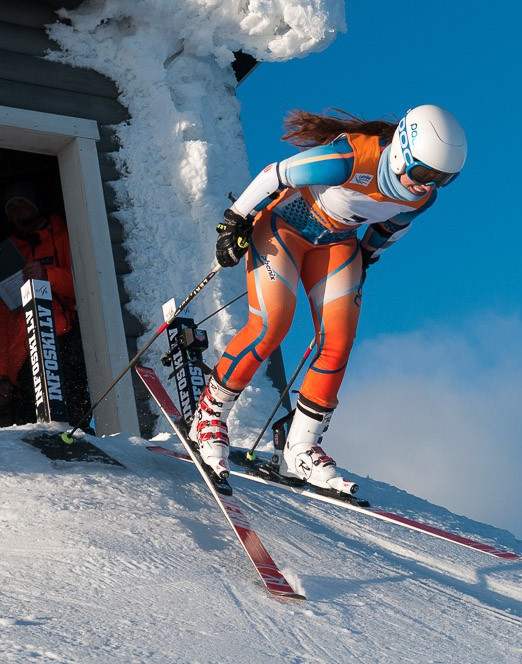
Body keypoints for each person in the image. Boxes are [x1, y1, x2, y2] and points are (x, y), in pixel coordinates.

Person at [190, 104, 467, 490]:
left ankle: (301, 446)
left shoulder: (422, 198)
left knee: (338, 342)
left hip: (337, 245)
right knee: (272, 325)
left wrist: (368, 255)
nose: (429, 185)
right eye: (424, 173)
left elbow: (391, 226)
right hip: (285, 229)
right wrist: (234, 221)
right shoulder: (350, 159)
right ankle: (209, 417)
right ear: (402, 151)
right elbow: (275, 174)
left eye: (444, 180)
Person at [0, 182, 90, 426]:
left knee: (72, 421)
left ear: (37, 206)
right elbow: (5, 323)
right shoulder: (9, 256)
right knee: (30, 429)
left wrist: (47, 275)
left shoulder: (64, 236)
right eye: (11, 209)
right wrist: (2, 375)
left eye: (22, 205)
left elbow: (87, 287)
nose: (18, 212)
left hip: (63, 342)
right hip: (25, 359)